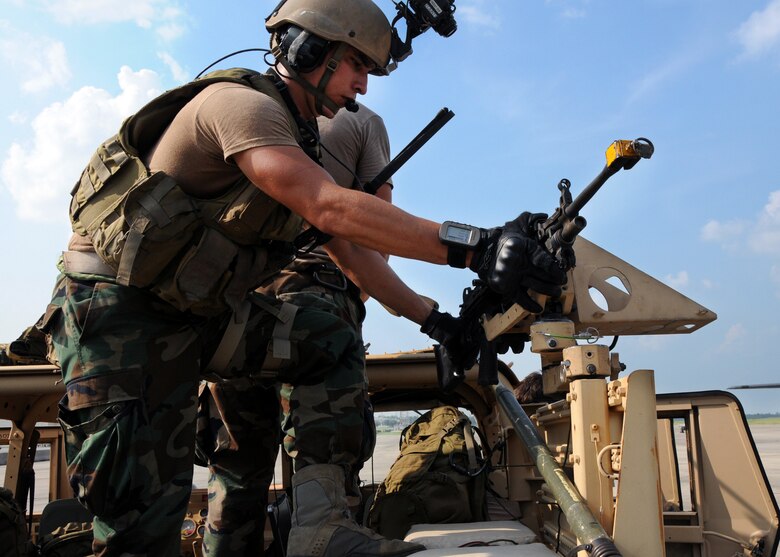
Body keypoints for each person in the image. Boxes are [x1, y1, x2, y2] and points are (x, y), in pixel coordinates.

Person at [39, 0, 567, 556]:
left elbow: (351, 253)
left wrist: (435, 321)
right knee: (141, 531)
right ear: (310, 51)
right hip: (120, 318)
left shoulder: (296, 139)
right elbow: (330, 207)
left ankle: (319, 529)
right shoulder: (241, 107)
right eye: (357, 66)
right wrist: (475, 247)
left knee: (328, 339)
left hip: (196, 318)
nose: (363, 86)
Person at [195, 102, 397, 556]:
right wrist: (354, 294)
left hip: (237, 308)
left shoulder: (249, 114)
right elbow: (377, 227)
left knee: (235, 466)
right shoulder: (363, 122)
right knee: (325, 459)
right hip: (319, 299)